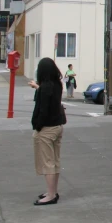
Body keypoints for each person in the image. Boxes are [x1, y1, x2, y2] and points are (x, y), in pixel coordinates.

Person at [29, 57, 66, 206]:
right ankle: (53, 191)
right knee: (55, 161)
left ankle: (50, 195)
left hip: (47, 129)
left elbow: (43, 109)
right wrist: (38, 87)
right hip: (57, 127)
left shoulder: (45, 88)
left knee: (47, 163)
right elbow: (48, 96)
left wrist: (37, 127)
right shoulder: (57, 85)